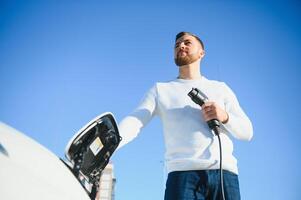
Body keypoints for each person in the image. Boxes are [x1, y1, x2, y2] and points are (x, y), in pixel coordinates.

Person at [118, 31, 253, 200]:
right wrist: (109, 146)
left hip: (224, 176)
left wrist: (225, 116)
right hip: (182, 177)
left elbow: (247, 132)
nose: (180, 46)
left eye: (187, 43)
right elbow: (135, 121)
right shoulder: (161, 89)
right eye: (176, 45)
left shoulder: (221, 88)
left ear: (202, 53)